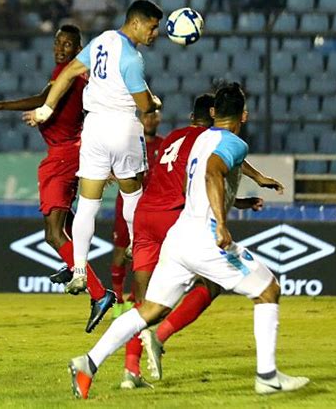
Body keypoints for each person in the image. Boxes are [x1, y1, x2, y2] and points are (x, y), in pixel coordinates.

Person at [67, 83, 309, 398]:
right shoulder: (234, 142)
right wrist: (221, 223)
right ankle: (267, 376)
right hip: (205, 238)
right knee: (268, 289)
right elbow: (212, 173)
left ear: (214, 113)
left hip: (178, 236)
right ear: (244, 115)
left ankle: (88, 363)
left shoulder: (200, 140)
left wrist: (244, 189)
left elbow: (193, 178)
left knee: (149, 309)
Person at [119, 91, 283, 389]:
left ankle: (131, 370)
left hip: (145, 216)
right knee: (211, 284)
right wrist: (257, 178)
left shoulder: (172, 138)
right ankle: (161, 335)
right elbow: (213, 169)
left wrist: (241, 200)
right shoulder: (208, 139)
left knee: (142, 299)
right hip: (174, 216)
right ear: (212, 116)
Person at [0, 25, 116, 333]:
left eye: (68, 44)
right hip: (68, 152)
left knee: (52, 233)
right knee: (65, 224)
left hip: (63, 157)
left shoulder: (70, 73)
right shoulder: (74, 73)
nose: (61, 48)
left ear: (78, 48)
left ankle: (100, 294)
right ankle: (75, 263)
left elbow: (43, 98)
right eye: (57, 42)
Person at [26, 0, 163, 298]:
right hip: (123, 128)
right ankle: (134, 246)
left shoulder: (102, 40)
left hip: (94, 130)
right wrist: (154, 100)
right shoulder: (132, 58)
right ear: (137, 23)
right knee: (132, 191)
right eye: (152, 28)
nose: (155, 34)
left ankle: (78, 270)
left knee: (88, 204)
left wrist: (46, 110)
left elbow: (68, 72)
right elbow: (144, 107)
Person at [111, 109, 163, 319]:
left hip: (151, 206)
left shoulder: (165, 145)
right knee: (121, 251)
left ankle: (134, 298)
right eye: (147, 116)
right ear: (140, 118)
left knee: (145, 252)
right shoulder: (128, 141)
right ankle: (117, 300)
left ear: (159, 119)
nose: (150, 119)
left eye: (154, 115)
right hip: (127, 201)